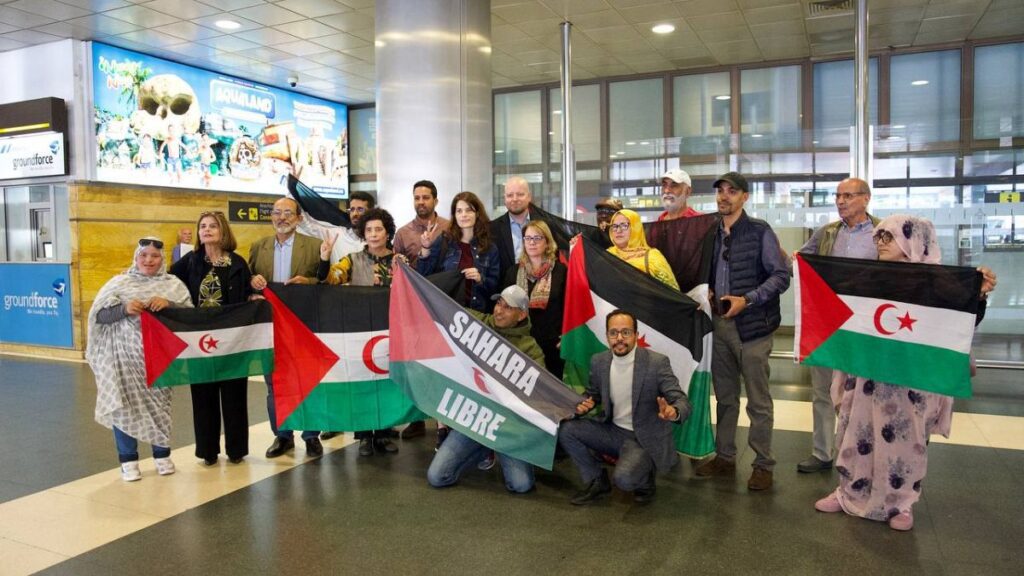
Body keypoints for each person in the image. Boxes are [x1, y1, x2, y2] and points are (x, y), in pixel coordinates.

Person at [814, 215, 998, 531]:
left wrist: (977, 294)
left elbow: (961, 324)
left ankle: (901, 504)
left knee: (904, 442)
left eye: (889, 236)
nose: (881, 242)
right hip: (868, 376)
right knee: (857, 434)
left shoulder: (939, 283)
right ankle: (849, 493)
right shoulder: (869, 277)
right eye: (879, 236)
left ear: (914, 240)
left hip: (911, 381)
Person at [695, 172, 790, 491]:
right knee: (724, 397)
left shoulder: (759, 231)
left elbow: (780, 277)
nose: (724, 196)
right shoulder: (711, 233)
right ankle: (725, 457)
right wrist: (708, 291)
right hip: (720, 326)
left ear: (745, 197)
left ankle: (763, 464)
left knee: (758, 402)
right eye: (720, 191)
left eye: (731, 191)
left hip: (753, 329)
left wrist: (747, 300)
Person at [559, 309, 691, 505]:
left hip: (643, 438)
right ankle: (597, 481)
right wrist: (585, 405)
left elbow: (681, 400)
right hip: (612, 431)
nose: (619, 338)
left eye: (626, 332)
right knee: (567, 430)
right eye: (613, 333)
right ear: (607, 336)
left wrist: (673, 411)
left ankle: (645, 478)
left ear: (636, 335)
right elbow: (592, 394)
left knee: (624, 480)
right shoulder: (599, 361)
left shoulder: (656, 363)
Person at [87, 237, 193, 481]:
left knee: (160, 406)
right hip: (123, 359)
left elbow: (190, 315)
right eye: (143, 255)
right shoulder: (119, 283)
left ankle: (162, 455)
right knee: (124, 406)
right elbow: (99, 317)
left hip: (158, 358)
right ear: (136, 258)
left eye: (154, 256)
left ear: (162, 259)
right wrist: (123, 309)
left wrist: (168, 304)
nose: (149, 260)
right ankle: (128, 460)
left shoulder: (173, 285)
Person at [795, 177, 880, 474]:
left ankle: (859, 454)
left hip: (866, 327)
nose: (841, 201)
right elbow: (800, 262)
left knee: (861, 393)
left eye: (848, 195)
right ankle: (822, 453)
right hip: (828, 323)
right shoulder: (828, 233)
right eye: (838, 196)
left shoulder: (882, 232)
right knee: (821, 389)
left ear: (866, 199)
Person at [427, 285, 545, 494]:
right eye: (499, 303)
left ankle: (496, 448)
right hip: (474, 418)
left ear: (521, 315)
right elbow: (442, 306)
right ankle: (483, 448)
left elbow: (540, 390)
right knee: (437, 477)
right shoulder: (477, 323)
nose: (499, 310)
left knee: (521, 485)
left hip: (507, 426)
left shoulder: (531, 349)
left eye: (508, 308)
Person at [416, 191, 500, 449]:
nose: (463, 215)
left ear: (477, 213)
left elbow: (497, 286)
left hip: (477, 317)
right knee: (448, 375)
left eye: (468, 210)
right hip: (448, 317)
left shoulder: (490, 247)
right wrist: (426, 250)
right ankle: (443, 429)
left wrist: (481, 279)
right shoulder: (445, 242)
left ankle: (476, 433)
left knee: (475, 377)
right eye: (459, 211)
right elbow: (426, 277)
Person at [169, 211, 254, 465]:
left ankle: (236, 449)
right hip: (200, 340)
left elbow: (248, 292)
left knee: (234, 395)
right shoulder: (191, 261)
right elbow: (168, 281)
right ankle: (207, 450)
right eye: (202, 226)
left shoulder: (238, 263)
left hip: (232, 340)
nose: (206, 230)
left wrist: (254, 296)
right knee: (203, 396)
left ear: (223, 231)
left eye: (212, 226)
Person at [318, 208, 402, 456]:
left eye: (379, 229)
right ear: (363, 233)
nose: (374, 234)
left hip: (389, 330)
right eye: (369, 230)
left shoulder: (400, 260)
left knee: (387, 382)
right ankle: (364, 436)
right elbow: (330, 280)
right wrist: (325, 258)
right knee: (363, 383)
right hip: (359, 330)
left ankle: (384, 433)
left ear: (388, 233)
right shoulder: (352, 260)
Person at [248, 197, 324, 459]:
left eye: (287, 213)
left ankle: (312, 436)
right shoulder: (259, 247)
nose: (281, 217)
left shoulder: (315, 247)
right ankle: (282, 436)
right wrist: (252, 284)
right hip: (270, 329)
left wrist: (310, 280)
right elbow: (247, 282)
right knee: (275, 384)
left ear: (299, 218)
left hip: (304, 326)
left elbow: (327, 282)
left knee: (308, 381)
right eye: (277, 212)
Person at [503, 220, 567, 377]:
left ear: (547, 242)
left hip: (553, 346)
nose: (532, 242)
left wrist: (567, 337)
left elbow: (570, 307)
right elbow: (504, 309)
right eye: (528, 238)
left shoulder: (561, 271)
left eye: (537, 238)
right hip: (521, 345)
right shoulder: (513, 272)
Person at [607, 209, 680, 291]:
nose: (618, 230)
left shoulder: (653, 258)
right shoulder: (607, 255)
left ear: (636, 228)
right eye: (614, 226)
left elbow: (673, 292)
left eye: (624, 226)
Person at [490, 176, 542, 278]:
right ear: (504, 198)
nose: (514, 199)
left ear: (529, 196)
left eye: (520, 194)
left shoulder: (545, 225)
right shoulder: (492, 229)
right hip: (505, 290)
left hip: (540, 288)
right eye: (510, 195)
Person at [393, 180, 450, 264]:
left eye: (426, 198)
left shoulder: (449, 227)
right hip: (413, 277)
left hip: (445, 277)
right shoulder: (402, 234)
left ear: (435, 201)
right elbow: (397, 267)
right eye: (417, 198)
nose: (421, 202)